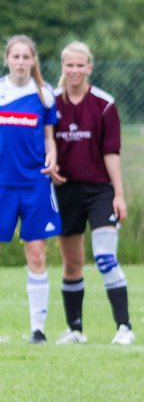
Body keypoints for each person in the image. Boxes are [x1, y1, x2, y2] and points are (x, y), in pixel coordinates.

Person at [50, 42, 133, 345]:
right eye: (68, 65)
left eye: (79, 65)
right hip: (65, 192)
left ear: (89, 68)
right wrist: (50, 165)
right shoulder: (52, 104)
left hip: (99, 192)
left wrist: (119, 194)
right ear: (63, 67)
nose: (74, 70)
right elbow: (46, 145)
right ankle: (75, 330)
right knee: (72, 264)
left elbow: (111, 153)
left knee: (105, 258)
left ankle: (124, 327)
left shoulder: (104, 105)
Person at [0, 35, 60, 344]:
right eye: (16, 56)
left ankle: (38, 329)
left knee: (36, 254)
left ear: (33, 60)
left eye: (26, 57)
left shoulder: (44, 95)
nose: (21, 62)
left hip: (35, 185)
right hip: (2, 185)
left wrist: (52, 155)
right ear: (7, 58)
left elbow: (49, 137)